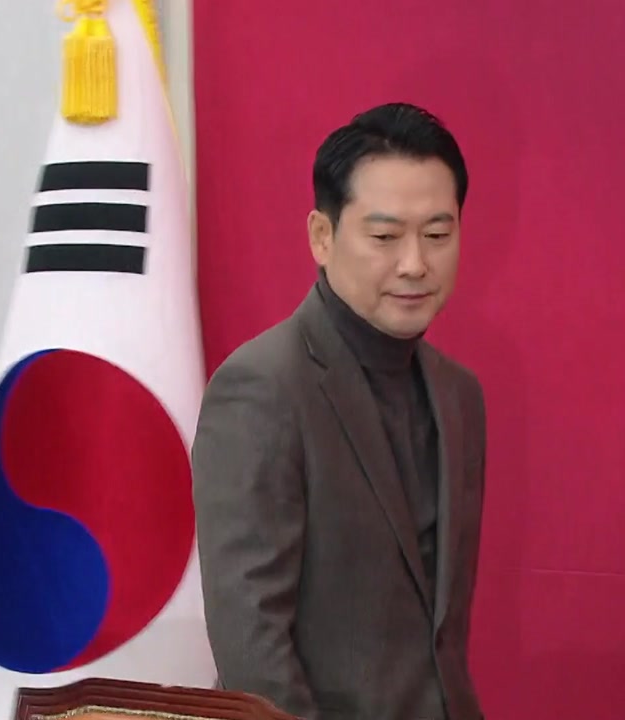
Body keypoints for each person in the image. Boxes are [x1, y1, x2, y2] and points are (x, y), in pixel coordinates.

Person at [191, 102, 487, 720]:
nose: (415, 263)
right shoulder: (264, 387)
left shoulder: (459, 395)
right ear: (322, 237)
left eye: (437, 235)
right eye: (384, 237)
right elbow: (252, 647)